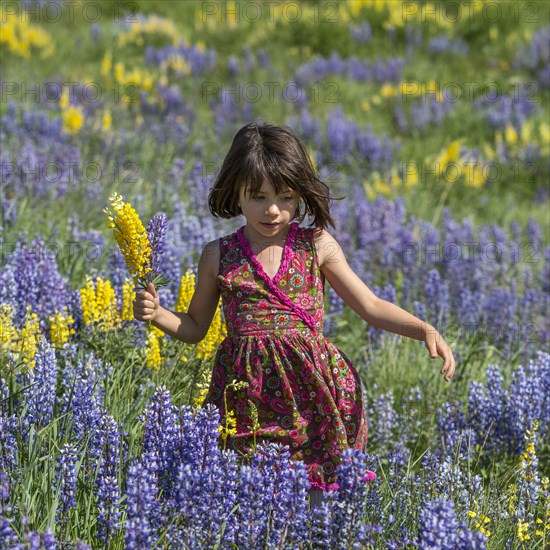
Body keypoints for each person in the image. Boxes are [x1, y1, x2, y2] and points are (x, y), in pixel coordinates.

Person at [133, 122, 456, 509]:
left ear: (301, 194)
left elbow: (369, 305)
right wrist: (157, 315)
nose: (272, 209)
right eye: (258, 196)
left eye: (285, 197)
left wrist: (423, 329)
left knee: (315, 494)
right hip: (245, 393)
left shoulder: (316, 245)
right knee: (248, 496)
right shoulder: (217, 254)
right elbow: (195, 327)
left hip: (312, 391)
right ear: (235, 192)